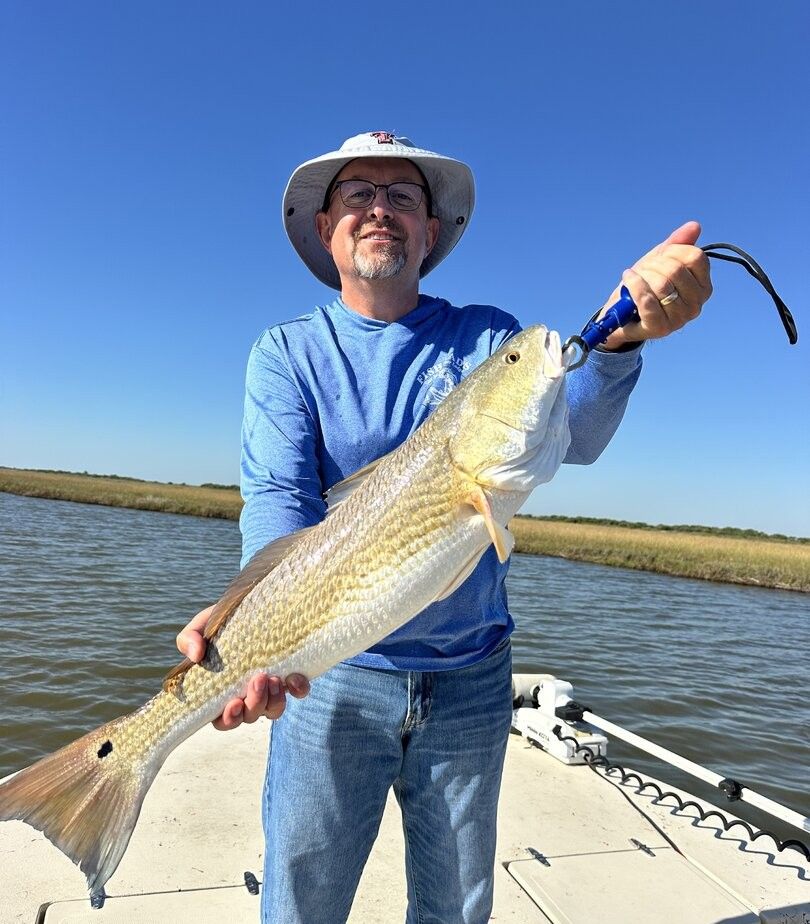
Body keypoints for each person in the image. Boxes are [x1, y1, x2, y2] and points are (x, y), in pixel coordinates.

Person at [176, 132, 712, 923]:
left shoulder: (491, 341)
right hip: (333, 678)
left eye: (403, 197)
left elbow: (577, 430)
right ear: (325, 228)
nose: (379, 210)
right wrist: (245, 624)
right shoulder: (286, 354)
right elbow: (278, 503)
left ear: (432, 231)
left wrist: (622, 338)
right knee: (302, 903)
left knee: (457, 909)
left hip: (472, 681)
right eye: (357, 194)